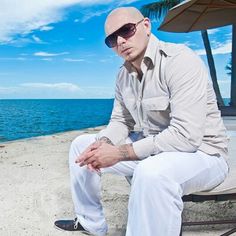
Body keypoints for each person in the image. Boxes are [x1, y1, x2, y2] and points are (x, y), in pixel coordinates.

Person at [54, 6, 229, 236]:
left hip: (203, 154)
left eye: (126, 30)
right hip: (154, 149)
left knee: (151, 172)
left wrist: (120, 152)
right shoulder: (122, 75)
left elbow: (186, 137)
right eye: (111, 40)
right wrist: (105, 142)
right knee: (82, 145)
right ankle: (91, 222)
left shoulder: (180, 61)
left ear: (145, 26)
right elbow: (121, 120)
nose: (120, 41)